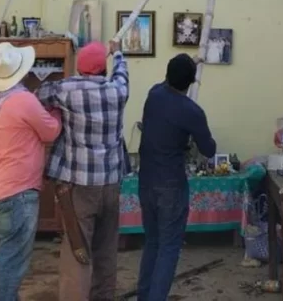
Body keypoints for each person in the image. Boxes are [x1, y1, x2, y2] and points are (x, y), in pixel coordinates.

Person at [37, 39, 129, 301]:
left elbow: (40, 96)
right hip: (111, 183)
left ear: (79, 68)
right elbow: (122, 71)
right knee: (106, 250)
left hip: (79, 186)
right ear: (103, 69)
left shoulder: (66, 89)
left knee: (78, 250)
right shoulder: (118, 91)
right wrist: (117, 51)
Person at [0, 42, 62, 301]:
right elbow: (51, 131)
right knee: (12, 262)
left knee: (8, 256)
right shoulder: (24, 100)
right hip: (19, 193)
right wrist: (56, 112)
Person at [136, 54, 217, 301]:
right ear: (191, 82)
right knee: (169, 247)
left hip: (146, 179)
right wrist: (191, 135)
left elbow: (166, 83)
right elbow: (209, 150)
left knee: (152, 242)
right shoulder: (192, 111)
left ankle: (144, 296)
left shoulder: (154, 95)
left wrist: (187, 64)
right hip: (171, 184)